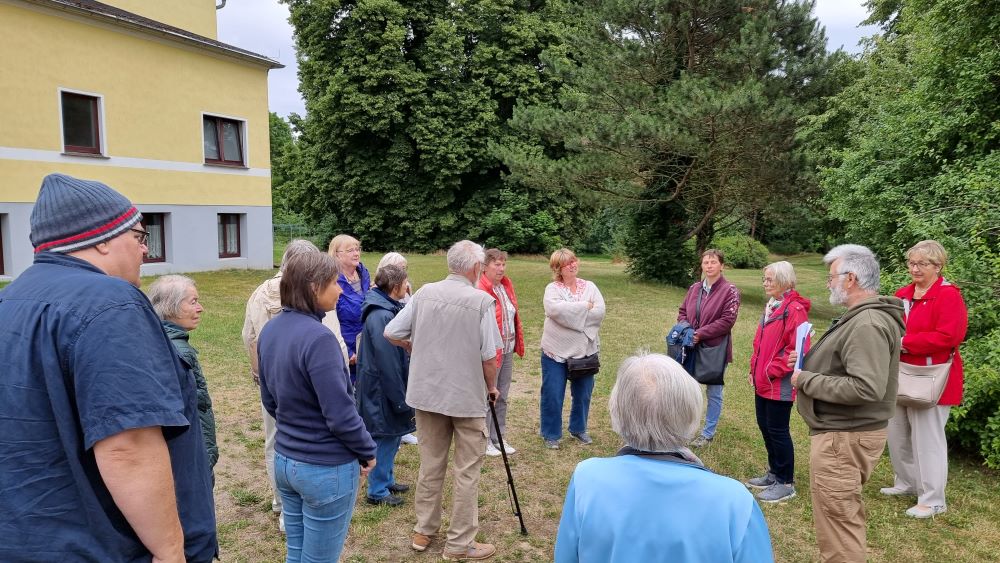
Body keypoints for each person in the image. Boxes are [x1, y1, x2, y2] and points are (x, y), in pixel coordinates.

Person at [0, 173, 217, 561]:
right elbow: (127, 446)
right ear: (100, 239)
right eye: (139, 236)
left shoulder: (11, 299)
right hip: (104, 546)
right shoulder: (110, 303)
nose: (144, 250)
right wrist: (171, 552)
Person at [554, 353, 774, 563]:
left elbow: (566, 556)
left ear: (617, 410)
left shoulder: (587, 478)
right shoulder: (736, 501)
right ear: (690, 411)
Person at [384, 240, 502, 561]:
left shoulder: (423, 293)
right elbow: (489, 357)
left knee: (431, 464)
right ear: (476, 268)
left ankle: (423, 531)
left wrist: (411, 345)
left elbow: (391, 331)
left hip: (427, 395)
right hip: (466, 399)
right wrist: (492, 387)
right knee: (466, 471)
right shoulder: (481, 301)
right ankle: (460, 544)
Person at [258, 251, 377, 563]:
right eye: (333, 283)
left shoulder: (271, 329)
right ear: (313, 287)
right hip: (324, 468)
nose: (340, 290)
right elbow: (340, 414)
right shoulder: (319, 339)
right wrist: (367, 450)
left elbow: (269, 399)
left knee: (297, 554)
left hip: (286, 461)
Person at [790, 244, 905, 563]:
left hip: (844, 439)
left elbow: (865, 387)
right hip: (844, 434)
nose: (829, 283)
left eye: (831, 276)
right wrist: (808, 364)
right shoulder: (862, 318)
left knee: (840, 529)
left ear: (851, 278)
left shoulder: (867, 323)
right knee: (841, 520)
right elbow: (849, 368)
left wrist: (805, 380)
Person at [243, 239, 349, 533]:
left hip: (273, 381)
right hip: (314, 384)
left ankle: (282, 505)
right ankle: (301, 503)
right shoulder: (316, 295)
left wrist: (259, 374)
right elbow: (334, 340)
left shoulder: (259, 293)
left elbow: (249, 336)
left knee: (274, 441)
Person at [883, 240, 968, 518]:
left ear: (938, 265)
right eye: (912, 263)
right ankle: (907, 482)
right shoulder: (903, 294)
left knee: (928, 439)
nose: (915, 268)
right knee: (897, 432)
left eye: (922, 264)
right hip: (901, 373)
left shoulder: (948, 295)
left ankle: (933, 499)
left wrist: (906, 342)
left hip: (932, 378)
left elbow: (949, 336)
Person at [745, 261, 810, 503]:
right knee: (765, 426)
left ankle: (785, 482)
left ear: (784, 281)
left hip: (778, 383)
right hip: (762, 380)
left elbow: (798, 349)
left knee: (778, 430)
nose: (765, 283)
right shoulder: (773, 306)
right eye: (765, 279)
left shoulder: (794, 310)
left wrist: (771, 371)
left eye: (769, 279)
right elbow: (759, 343)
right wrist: (755, 368)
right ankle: (774, 472)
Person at [357, 264, 415, 507]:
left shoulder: (386, 308)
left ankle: (387, 479)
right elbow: (388, 362)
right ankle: (377, 491)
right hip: (381, 391)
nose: (408, 286)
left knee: (392, 436)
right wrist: (400, 399)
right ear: (395, 287)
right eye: (405, 283)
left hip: (383, 389)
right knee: (384, 437)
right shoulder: (381, 315)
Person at [149, 275, 219, 472]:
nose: (200, 308)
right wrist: (205, 457)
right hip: (191, 457)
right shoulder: (181, 352)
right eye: (193, 302)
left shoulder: (155, 338)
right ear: (171, 307)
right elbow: (194, 407)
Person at [540, 248, 607, 450]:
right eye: (567, 263)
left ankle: (578, 428)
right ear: (558, 268)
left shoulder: (590, 286)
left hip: (585, 351)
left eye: (574, 261)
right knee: (553, 393)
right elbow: (554, 310)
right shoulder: (552, 289)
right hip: (555, 351)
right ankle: (551, 433)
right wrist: (584, 306)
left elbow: (600, 312)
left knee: (584, 393)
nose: (573, 265)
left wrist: (572, 314)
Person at [676, 249, 741, 447]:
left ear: (722, 265)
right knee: (688, 389)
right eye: (706, 263)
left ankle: (707, 433)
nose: (709, 266)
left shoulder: (730, 290)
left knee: (714, 392)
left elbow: (727, 321)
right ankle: (685, 428)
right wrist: (687, 330)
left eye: (713, 262)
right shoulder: (695, 288)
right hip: (691, 346)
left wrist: (700, 334)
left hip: (715, 348)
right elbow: (682, 312)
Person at [478, 248, 525, 456]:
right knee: (489, 394)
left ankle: (499, 436)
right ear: (484, 266)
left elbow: (512, 316)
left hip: (506, 349)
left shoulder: (505, 286)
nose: (501, 268)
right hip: (491, 352)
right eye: (497, 264)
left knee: (503, 395)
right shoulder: (480, 288)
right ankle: (485, 439)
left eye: (503, 264)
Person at [376, 251, 418, 446]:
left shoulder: (407, 290)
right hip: (394, 344)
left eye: (405, 268)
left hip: (404, 345)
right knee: (394, 386)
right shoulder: (380, 302)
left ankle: (404, 427)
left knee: (405, 382)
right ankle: (395, 429)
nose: (404, 272)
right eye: (400, 268)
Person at [329, 234, 371, 382]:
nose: (356, 253)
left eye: (357, 249)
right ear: (337, 255)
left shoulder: (363, 273)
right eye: (350, 250)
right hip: (348, 348)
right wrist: (347, 351)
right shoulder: (332, 281)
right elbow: (330, 322)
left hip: (367, 344)